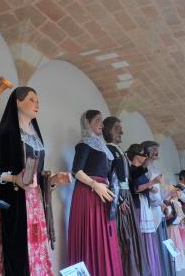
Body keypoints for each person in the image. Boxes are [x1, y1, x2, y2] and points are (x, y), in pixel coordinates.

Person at [0, 87, 70, 276]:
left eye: (38, 100)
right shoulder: (5, 135)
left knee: (36, 249)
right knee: (18, 253)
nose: (37, 104)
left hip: (35, 205)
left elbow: (36, 176)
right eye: (32, 99)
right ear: (18, 102)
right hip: (15, 204)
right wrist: (14, 178)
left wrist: (53, 179)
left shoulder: (35, 137)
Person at [68, 110, 123, 276]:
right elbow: (76, 171)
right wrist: (95, 185)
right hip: (88, 194)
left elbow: (108, 175)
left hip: (103, 194)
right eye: (98, 120)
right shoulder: (84, 143)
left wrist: (115, 194)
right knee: (93, 236)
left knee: (105, 236)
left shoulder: (101, 146)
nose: (102, 124)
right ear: (87, 121)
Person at [103, 116, 150, 276]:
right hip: (119, 198)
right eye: (117, 128)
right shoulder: (108, 150)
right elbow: (110, 177)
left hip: (125, 195)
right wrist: (120, 199)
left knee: (130, 236)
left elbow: (123, 178)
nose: (121, 131)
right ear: (108, 130)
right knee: (124, 238)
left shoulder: (117, 151)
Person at [127, 143, 162, 276]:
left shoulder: (138, 169)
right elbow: (136, 188)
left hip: (144, 203)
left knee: (148, 236)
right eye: (143, 154)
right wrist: (152, 183)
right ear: (136, 156)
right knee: (142, 236)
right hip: (138, 205)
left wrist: (149, 187)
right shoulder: (131, 169)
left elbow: (142, 184)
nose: (145, 156)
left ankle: (151, 268)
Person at [141, 141, 174, 276]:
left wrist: (168, 194)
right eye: (154, 149)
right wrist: (161, 203)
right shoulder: (144, 169)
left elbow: (158, 192)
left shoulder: (155, 169)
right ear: (146, 152)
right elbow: (149, 191)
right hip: (150, 208)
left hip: (158, 208)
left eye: (156, 149)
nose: (156, 152)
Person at [166, 186, 185, 271]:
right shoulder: (172, 202)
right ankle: (177, 264)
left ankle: (183, 261)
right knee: (177, 243)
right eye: (178, 191)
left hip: (180, 224)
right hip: (175, 225)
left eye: (180, 192)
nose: (180, 193)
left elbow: (182, 214)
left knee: (182, 242)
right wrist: (183, 220)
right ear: (174, 193)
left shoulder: (177, 202)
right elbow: (173, 215)